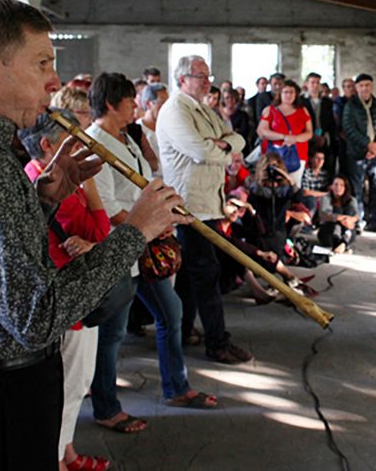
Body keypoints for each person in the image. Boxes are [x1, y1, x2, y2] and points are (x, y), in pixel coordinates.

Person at [0, 0, 187, 469]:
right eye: (42, 62)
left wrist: (42, 201)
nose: (54, 81)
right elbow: (37, 317)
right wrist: (136, 232)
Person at [87, 72, 218, 432]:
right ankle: (106, 406)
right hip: (121, 250)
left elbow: (146, 185)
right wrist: (152, 223)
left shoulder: (128, 140)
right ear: (112, 103)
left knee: (171, 312)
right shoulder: (95, 144)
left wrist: (166, 210)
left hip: (146, 246)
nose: (137, 107)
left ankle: (176, 387)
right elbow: (110, 208)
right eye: (131, 101)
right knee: (111, 334)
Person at [20, 110, 114, 471]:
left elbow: (96, 232)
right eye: (70, 140)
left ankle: (66, 451)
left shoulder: (49, 179)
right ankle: (56, 458)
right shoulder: (48, 185)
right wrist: (90, 189)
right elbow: (100, 232)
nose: (81, 146)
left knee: (77, 381)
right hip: (66, 295)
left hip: (73, 292)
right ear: (46, 145)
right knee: (68, 385)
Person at [157, 55, 253, 365]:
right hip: (190, 206)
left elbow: (238, 138)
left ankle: (183, 331)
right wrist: (224, 150)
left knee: (190, 274)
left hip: (209, 203)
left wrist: (223, 146)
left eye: (208, 75)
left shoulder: (205, 111)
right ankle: (217, 343)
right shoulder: (174, 112)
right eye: (201, 76)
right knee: (207, 273)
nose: (207, 81)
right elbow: (199, 150)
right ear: (182, 79)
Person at [341, 73, 376, 232]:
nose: (364, 88)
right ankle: (358, 221)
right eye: (361, 86)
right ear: (356, 88)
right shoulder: (350, 105)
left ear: (372, 86)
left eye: (367, 85)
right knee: (357, 189)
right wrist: (367, 145)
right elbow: (349, 129)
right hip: (357, 153)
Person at [257, 79, 313, 187]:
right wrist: (284, 137)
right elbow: (261, 131)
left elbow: (309, 133)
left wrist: (295, 139)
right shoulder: (270, 109)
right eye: (286, 92)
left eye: (292, 92)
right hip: (274, 154)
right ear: (280, 94)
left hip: (297, 155)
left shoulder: (302, 110)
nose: (289, 95)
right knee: (272, 185)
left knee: (294, 186)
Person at [302, 72, 337, 174]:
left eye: (317, 82)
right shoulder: (301, 102)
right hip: (307, 139)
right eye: (312, 82)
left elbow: (331, 123)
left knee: (326, 169)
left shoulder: (328, 102)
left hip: (324, 139)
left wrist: (325, 137)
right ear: (306, 84)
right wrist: (311, 136)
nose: (315, 85)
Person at [318, 176, 360, 254]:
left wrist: (349, 220)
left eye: (341, 185)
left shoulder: (351, 200)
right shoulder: (326, 198)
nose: (338, 187)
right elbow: (325, 214)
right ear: (331, 186)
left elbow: (356, 216)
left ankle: (343, 243)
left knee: (351, 222)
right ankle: (341, 244)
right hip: (329, 230)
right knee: (337, 218)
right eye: (336, 184)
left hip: (346, 229)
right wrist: (341, 218)